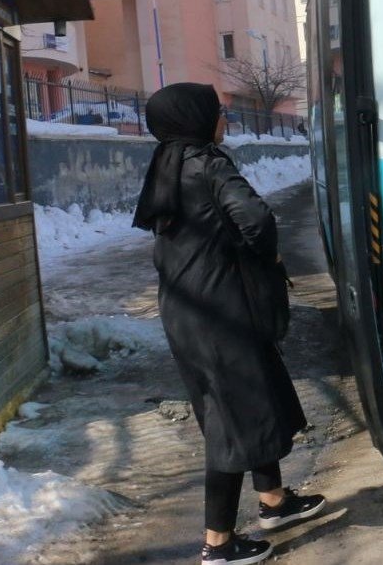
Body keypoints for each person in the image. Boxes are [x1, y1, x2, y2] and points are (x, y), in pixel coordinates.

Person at [133, 83, 326, 565]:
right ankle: (217, 543)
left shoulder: (167, 163)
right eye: (217, 111)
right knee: (231, 421)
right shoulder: (208, 163)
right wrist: (265, 256)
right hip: (223, 311)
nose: (225, 118)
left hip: (188, 310)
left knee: (251, 402)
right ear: (195, 117)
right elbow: (257, 220)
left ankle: (275, 502)